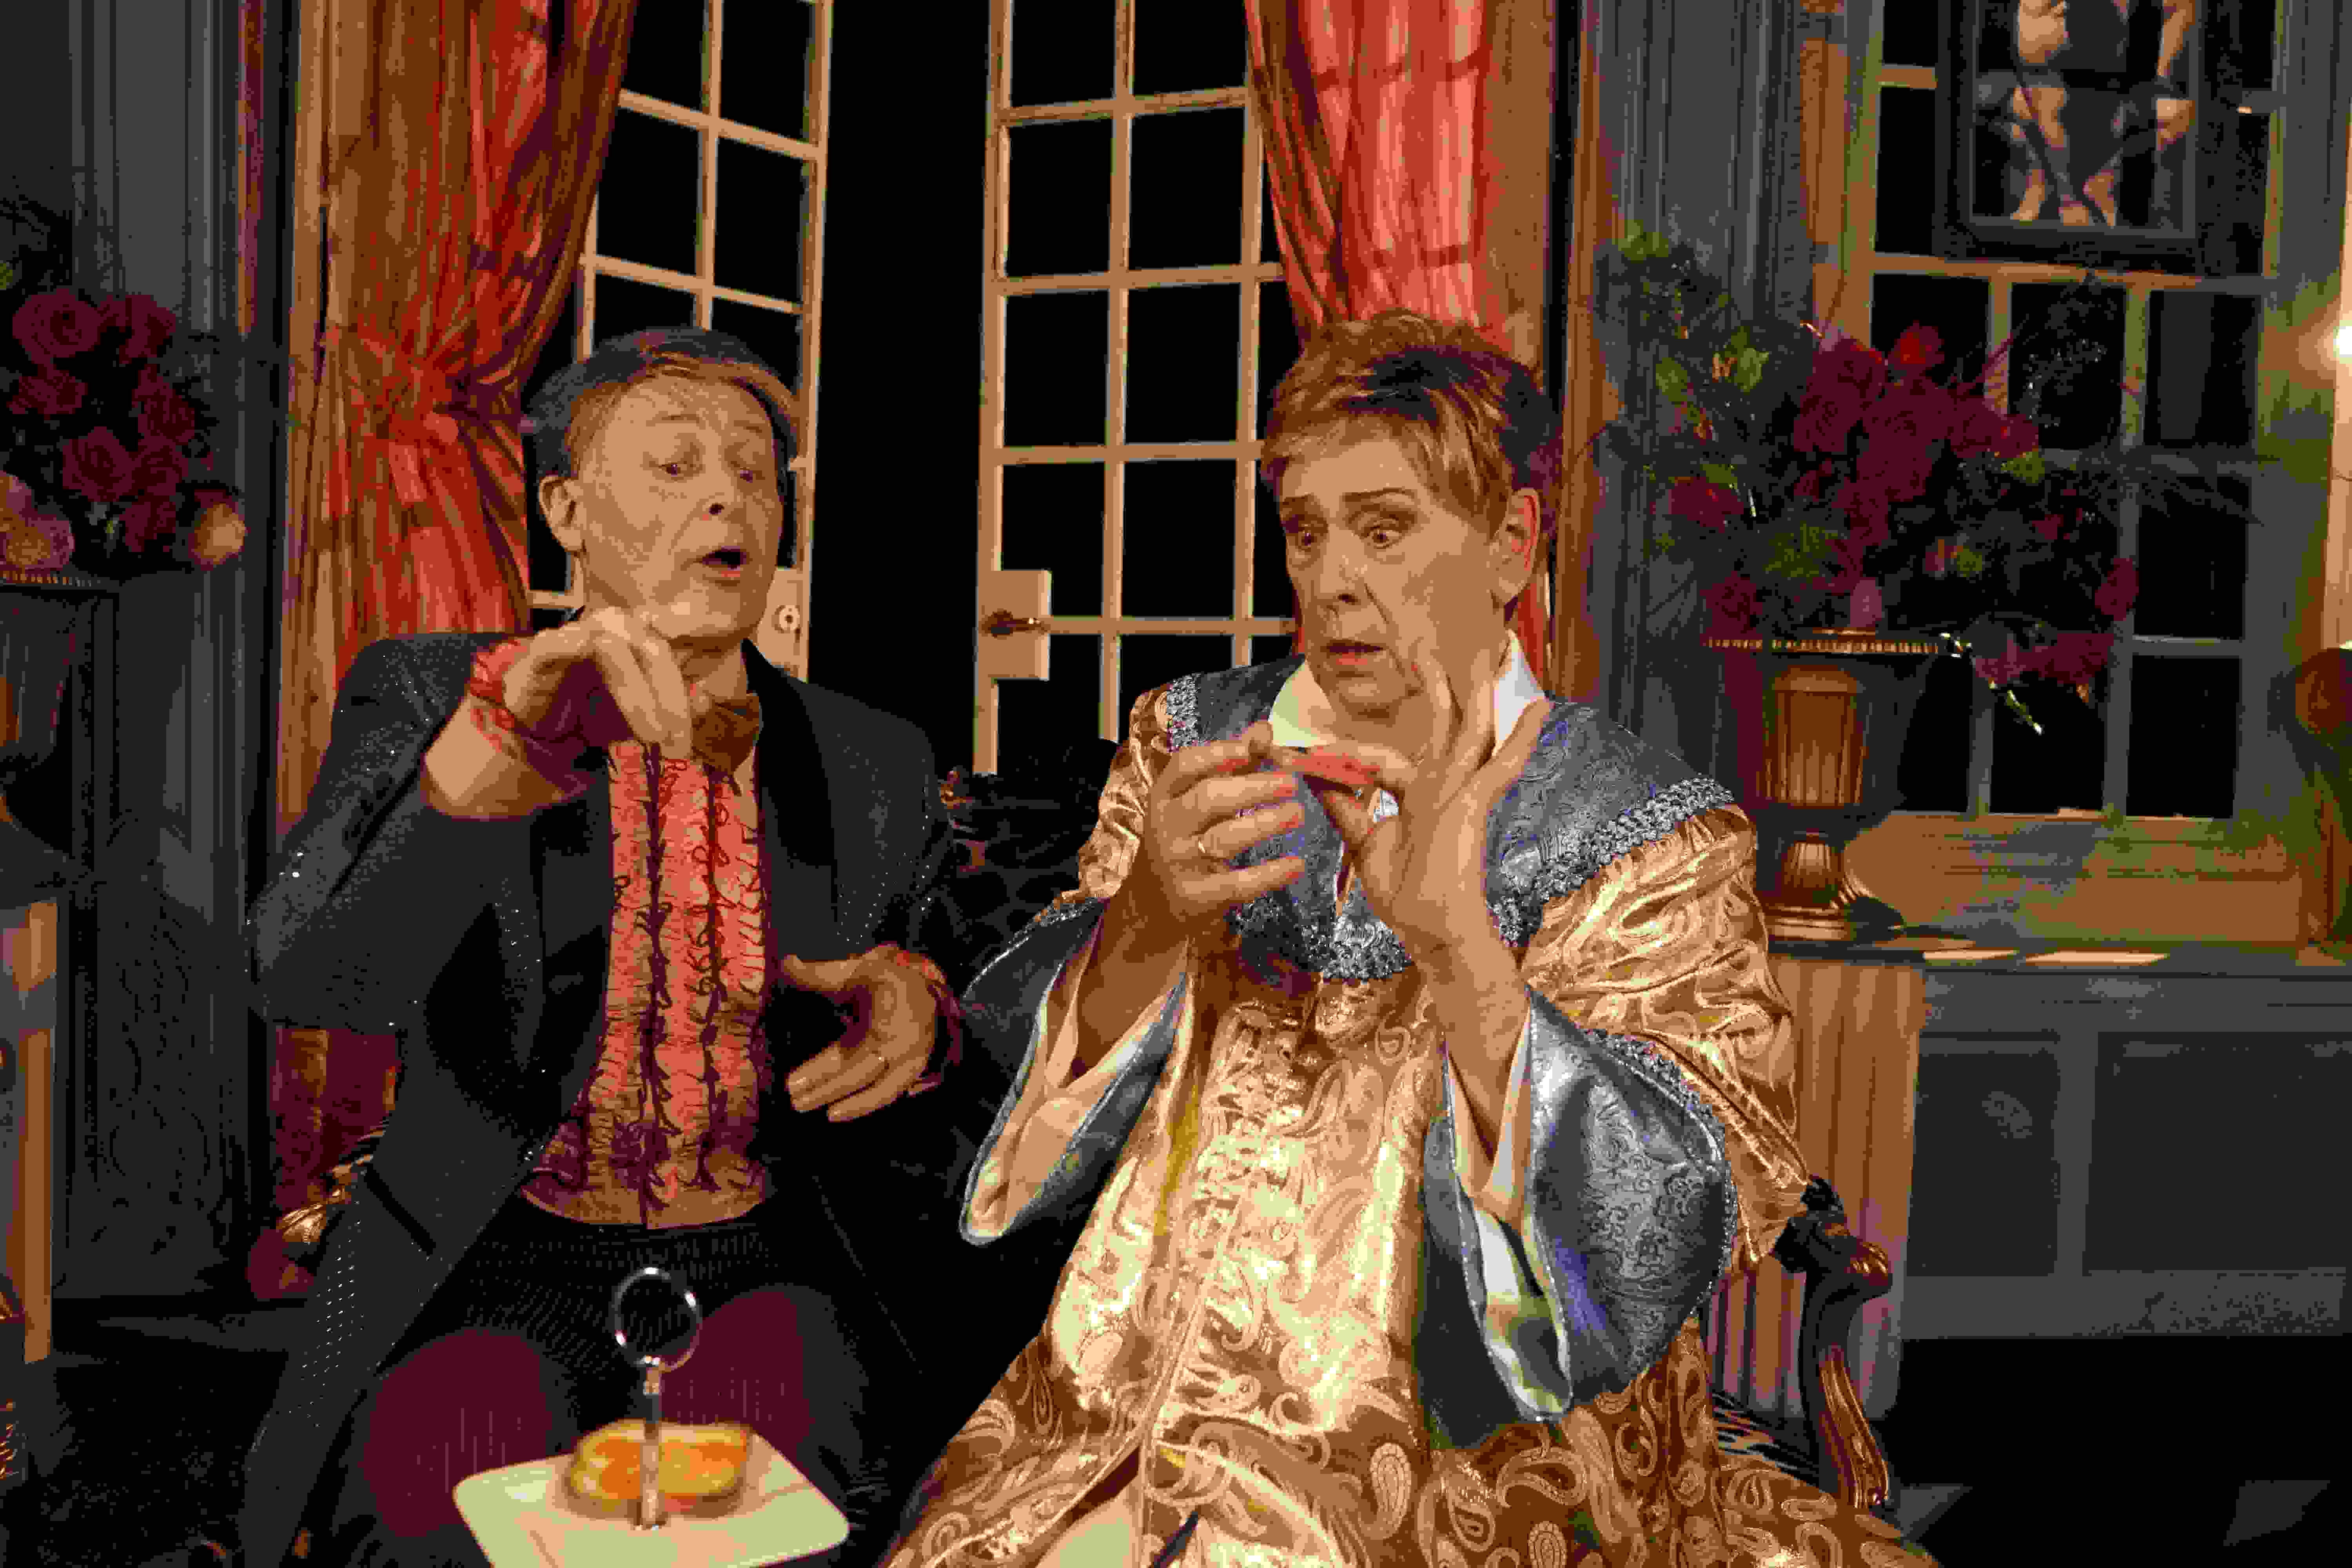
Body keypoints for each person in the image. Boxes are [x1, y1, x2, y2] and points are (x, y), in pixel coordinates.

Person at [877, 311, 1942, 1566]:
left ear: (1512, 546)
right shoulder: (1191, 741)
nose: (1331, 579)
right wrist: (1150, 918)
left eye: (1384, 529)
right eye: (1307, 531)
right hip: (1126, 1399)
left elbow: (1663, 1228)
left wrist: (1462, 950)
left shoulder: (1646, 829)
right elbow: (1019, 1081)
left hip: (1476, 1462)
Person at [235, 329, 1034, 1568]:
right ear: (567, 509)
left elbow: (970, 1020)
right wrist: (502, 750)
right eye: (675, 465)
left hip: (769, 1257)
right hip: (494, 1256)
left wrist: (919, 1012)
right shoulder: (435, 694)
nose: (729, 497)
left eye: (757, 473)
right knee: (432, 1520)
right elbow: (310, 976)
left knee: (792, 1530)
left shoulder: (871, 757)